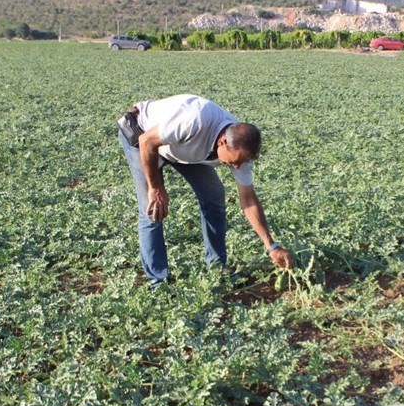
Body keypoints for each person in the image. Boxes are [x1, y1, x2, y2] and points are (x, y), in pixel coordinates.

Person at [118, 94, 293, 289]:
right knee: (153, 209)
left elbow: (249, 201)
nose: (236, 167)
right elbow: (146, 141)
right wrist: (156, 187)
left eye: (240, 163)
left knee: (214, 196)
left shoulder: (242, 150)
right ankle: (158, 282)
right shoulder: (195, 120)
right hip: (142, 136)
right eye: (233, 161)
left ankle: (217, 266)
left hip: (183, 149)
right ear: (222, 142)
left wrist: (271, 246)